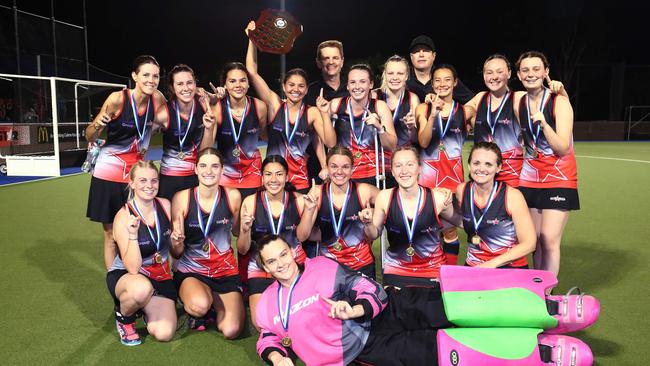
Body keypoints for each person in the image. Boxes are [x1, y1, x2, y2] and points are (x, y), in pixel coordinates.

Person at [254, 234, 598, 366]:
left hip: (384, 310)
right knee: (434, 351)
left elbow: (369, 289)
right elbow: (267, 337)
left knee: (447, 307)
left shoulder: (321, 268)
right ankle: (538, 351)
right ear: (266, 268)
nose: (281, 263)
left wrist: (354, 308)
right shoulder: (268, 304)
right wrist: (277, 358)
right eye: (273, 260)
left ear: (293, 251)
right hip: (363, 348)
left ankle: (545, 309)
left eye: (284, 254)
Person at [86, 55, 167, 270]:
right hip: (108, 173)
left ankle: (139, 272)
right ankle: (114, 279)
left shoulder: (157, 99)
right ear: (135, 76)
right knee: (111, 233)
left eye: (156, 76)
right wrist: (98, 126)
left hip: (136, 175)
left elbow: (175, 115)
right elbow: (89, 135)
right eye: (146, 75)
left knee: (138, 229)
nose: (151, 80)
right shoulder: (117, 99)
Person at [244, 21, 336, 192]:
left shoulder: (312, 112)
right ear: (284, 87)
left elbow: (330, 142)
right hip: (273, 179)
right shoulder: (274, 104)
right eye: (291, 85)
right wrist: (252, 39)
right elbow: (251, 71)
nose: (296, 89)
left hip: (300, 180)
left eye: (301, 86)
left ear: (307, 89)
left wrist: (324, 114)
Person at [513, 51, 579, 279]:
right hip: (529, 178)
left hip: (559, 177)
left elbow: (561, 147)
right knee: (536, 240)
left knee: (550, 239)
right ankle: (538, 285)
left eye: (536, 69)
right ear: (519, 75)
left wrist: (544, 124)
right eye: (525, 70)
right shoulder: (518, 102)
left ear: (546, 72)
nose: (530, 74)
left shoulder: (559, 101)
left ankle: (548, 292)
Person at [169, 148, 244, 337]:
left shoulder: (233, 196)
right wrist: (176, 242)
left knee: (231, 330)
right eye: (203, 165)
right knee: (198, 305)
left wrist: (245, 226)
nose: (208, 171)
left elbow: (235, 232)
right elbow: (176, 253)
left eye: (214, 166)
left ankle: (213, 303)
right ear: (195, 169)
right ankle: (201, 302)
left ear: (222, 170)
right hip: (191, 270)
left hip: (224, 271)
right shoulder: (182, 198)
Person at [237, 155, 318, 329]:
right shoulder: (250, 202)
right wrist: (244, 230)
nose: (274, 180)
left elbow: (302, 237)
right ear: (262, 177)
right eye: (268, 174)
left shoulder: (299, 200)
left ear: (287, 177)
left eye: (279, 174)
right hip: (261, 268)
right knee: (261, 324)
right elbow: (243, 250)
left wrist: (310, 211)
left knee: (304, 317)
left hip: (293, 264)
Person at [364, 146, 456, 288]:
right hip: (396, 270)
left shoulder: (437, 197)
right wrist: (368, 223)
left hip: (432, 271)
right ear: (392, 171)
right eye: (398, 166)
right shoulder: (384, 197)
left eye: (410, 164)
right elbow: (374, 234)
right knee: (395, 307)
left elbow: (461, 223)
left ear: (419, 168)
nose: (404, 171)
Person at [106, 160, 177, 346]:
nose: (149, 186)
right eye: (143, 180)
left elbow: (173, 249)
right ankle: (125, 318)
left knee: (164, 333)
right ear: (132, 183)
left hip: (159, 276)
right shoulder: (123, 216)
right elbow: (133, 267)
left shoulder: (166, 205)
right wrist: (132, 235)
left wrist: (177, 241)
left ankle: (144, 308)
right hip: (129, 276)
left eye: (154, 181)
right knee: (140, 290)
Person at [416, 64, 475, 264]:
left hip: (453, 181)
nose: (442, 84)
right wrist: (433, 114)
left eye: (447, 79)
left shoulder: (465, 111)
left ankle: (449, 274)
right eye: (438, 80)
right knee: (427, 231)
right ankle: (428, 274)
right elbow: (423, 142)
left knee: (450, 232)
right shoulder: (423, 109)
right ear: (432, 84)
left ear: (455, 82)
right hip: (427, 181)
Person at [301, 146, 379, 278]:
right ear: (327, 167)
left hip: (361, 265)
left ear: (353, 169)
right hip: (329, 267)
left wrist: (375, 215)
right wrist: (309, 211)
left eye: (345, 167)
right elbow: (303, 235)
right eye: (334, 166)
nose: (339, 171)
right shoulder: (316, 193)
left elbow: (391, 202)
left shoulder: (364, 191)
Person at [454, 142, 536, 268]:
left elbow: (529, 243)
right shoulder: (462, 191)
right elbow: (464, 220)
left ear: (498, 168)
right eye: (476, 163)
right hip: (474, 266)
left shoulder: (512, 196)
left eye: (488, 164)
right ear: (469, 165)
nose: (481, 169)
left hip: (510, 268)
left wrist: (491, 264)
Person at [325, 64, 397, 186]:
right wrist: (324, 114)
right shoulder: (335, 105)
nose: (357, 87)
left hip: (373, 172)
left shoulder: (380, 106)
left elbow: (392, 146)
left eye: (362, 82)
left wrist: (379, 128)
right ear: (347, 86)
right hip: (344, 172)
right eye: (352, 82)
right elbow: (328, 143)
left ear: (371, 84)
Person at [464, 54, 524, 187]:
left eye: (499, 72)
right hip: (482, 174)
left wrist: (560, 91)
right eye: (489, 72)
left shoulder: (519, 98)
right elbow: (454, 113)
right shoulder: (480, 98)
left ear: (509, 73)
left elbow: (546, 101)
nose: (494, 77)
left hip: (512, 175)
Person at [158, 64, 216, 200]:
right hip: (169, 177)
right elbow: (142, 135)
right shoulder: (163, 113)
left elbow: (205, 152)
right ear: (172, 88)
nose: (186, 88)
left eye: (190, 83)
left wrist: (208, 128)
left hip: (195, 176)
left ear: (195, 84)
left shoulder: (205, 108)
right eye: (180, 84)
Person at [212, 62, 268, 199]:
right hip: (225, 174)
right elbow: (207, 145)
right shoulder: (217, 109)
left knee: (251, 216)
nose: (238, 85)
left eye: (243, 80)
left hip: (252, 172)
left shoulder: (259, 107)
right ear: (224, 85)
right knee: (228, 218)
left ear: (249, 83)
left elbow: (266, 136)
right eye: (232, 81)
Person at [374, 55, 421, 188]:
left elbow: (417, 140)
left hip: (403, 166)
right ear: (385, 75)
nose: (395, 77)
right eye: (390, 73)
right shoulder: (373, 96)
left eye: (400, 73)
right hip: (378, 164)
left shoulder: (412, 99)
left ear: (406, 76)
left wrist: (412, 128)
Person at [407, 35, 474, 104]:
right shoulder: (403, 77)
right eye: (417, 51)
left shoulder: (445, 76)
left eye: (426, 51)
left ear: (434, 56)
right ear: (411, 57)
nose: (421, 55)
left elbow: (473, 101)